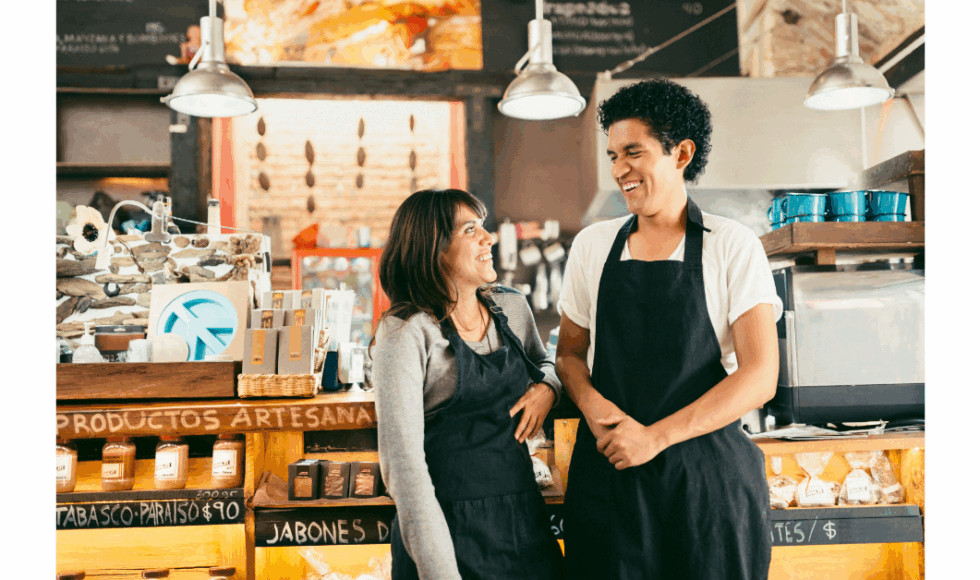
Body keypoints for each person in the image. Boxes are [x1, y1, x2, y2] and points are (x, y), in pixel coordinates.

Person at [556, 78, 783, 580]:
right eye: (613, 155)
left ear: (681, 153)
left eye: (633, 152)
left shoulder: (731, 244)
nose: (619, 169)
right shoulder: (593, 247)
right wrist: (593, 407)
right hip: (612, 479)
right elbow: (569, 354)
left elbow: (760, 375)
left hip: (708, 488)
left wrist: (654, 438)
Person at [371, 189, 565, 580]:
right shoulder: (406, 332)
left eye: (483, 226)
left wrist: (548, 387)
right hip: (445, 532)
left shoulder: (510, 306)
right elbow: (405, 474)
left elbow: (549, 361)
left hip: (523, 521)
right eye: (470, 229)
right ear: (435, 249)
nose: (488, 238)